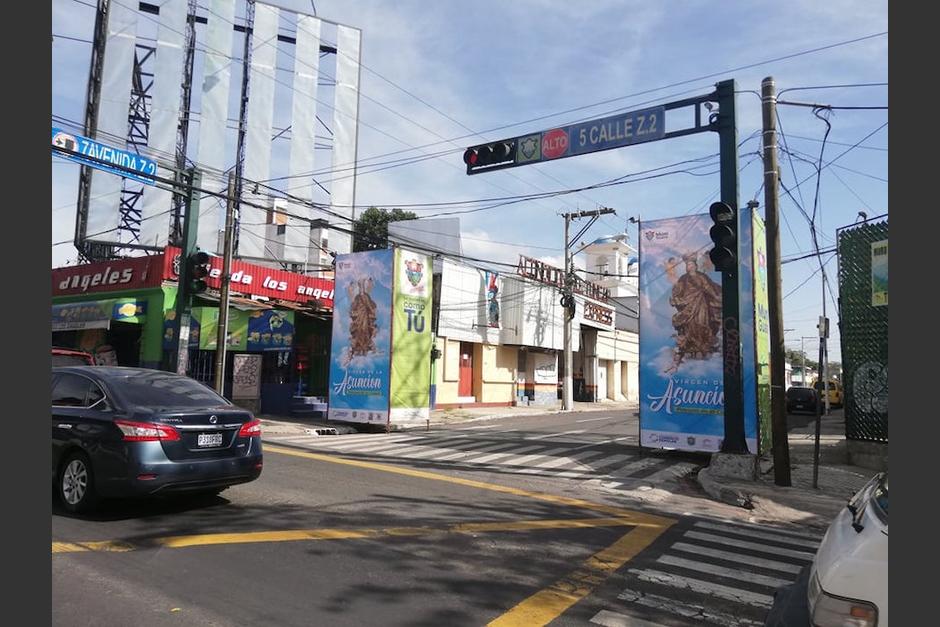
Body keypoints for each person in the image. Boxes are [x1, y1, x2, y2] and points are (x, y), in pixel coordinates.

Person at [665, 254, 722, 374]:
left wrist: (716, 296)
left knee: (702, 323)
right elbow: (678, 290)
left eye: (690, 264)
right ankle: (690, 347)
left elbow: (709, 288)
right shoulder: (683, 278)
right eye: (687, 265)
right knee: (688, 326)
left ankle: (703, 346)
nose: (688, 266)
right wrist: (676, 296)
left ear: (695, 266)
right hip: (688, 306)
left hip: (701, 305)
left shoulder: (702, 276)